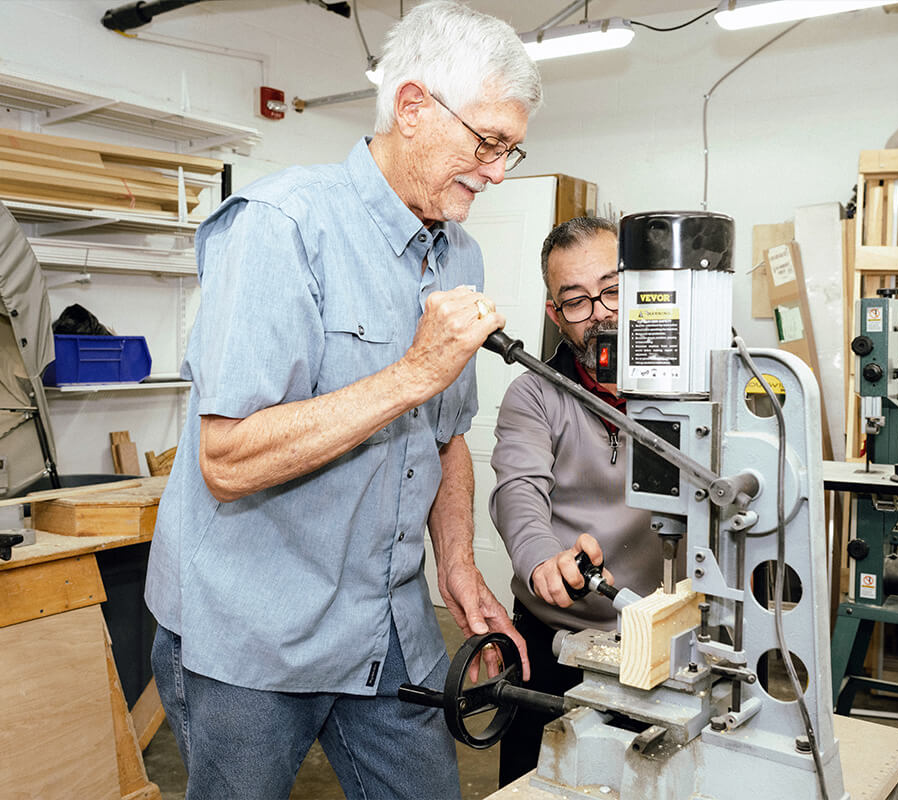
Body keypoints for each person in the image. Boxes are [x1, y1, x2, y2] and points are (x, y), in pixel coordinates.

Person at [143, 3, 542, 798]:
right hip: (253, 637)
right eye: (488, 143)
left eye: (511, 148)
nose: (498, 171)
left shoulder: (460, 252)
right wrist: (410, 374)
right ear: (414, 107)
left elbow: (445, 435)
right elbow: (227, 458)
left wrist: (459, 569)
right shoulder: (279, 227)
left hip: (385, 624)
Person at [489, 217, 664, 785]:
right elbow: (518, 488)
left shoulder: (690, 389)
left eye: (613, 290)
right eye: (578, 301)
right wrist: (543, 559)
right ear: (554, 315)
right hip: (554, 639)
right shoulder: (533, 394)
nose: (603, 313)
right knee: (533, 785)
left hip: (658, 639)